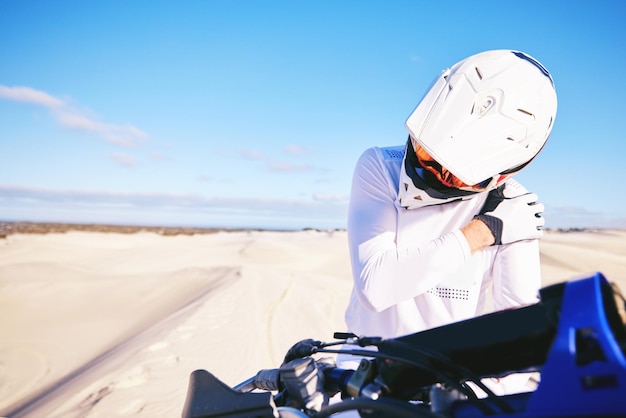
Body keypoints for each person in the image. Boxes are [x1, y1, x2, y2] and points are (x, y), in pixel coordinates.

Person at [344, 49, 558, 342]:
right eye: (425, 154)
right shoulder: (381, 167)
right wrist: (482, 232)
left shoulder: (514, 208)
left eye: (453, 174)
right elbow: (376, 287)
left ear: (500, 175)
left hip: (442, 374)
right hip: (362, 361)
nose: (431, 174)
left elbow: (520, 325)